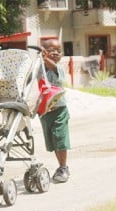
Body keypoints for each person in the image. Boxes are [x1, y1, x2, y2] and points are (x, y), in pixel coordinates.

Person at [39, 38, 71, 183]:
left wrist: (46, 57)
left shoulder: (59, 68)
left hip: (59, 110)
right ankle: (60, 166)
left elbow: (52, 67)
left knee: (60, 138)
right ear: (43, 51)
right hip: (44, 111)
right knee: (51, 141)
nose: (56, 53)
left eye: (59, 51)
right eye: (52, 50)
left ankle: (63, 167)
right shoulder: (38, 69)